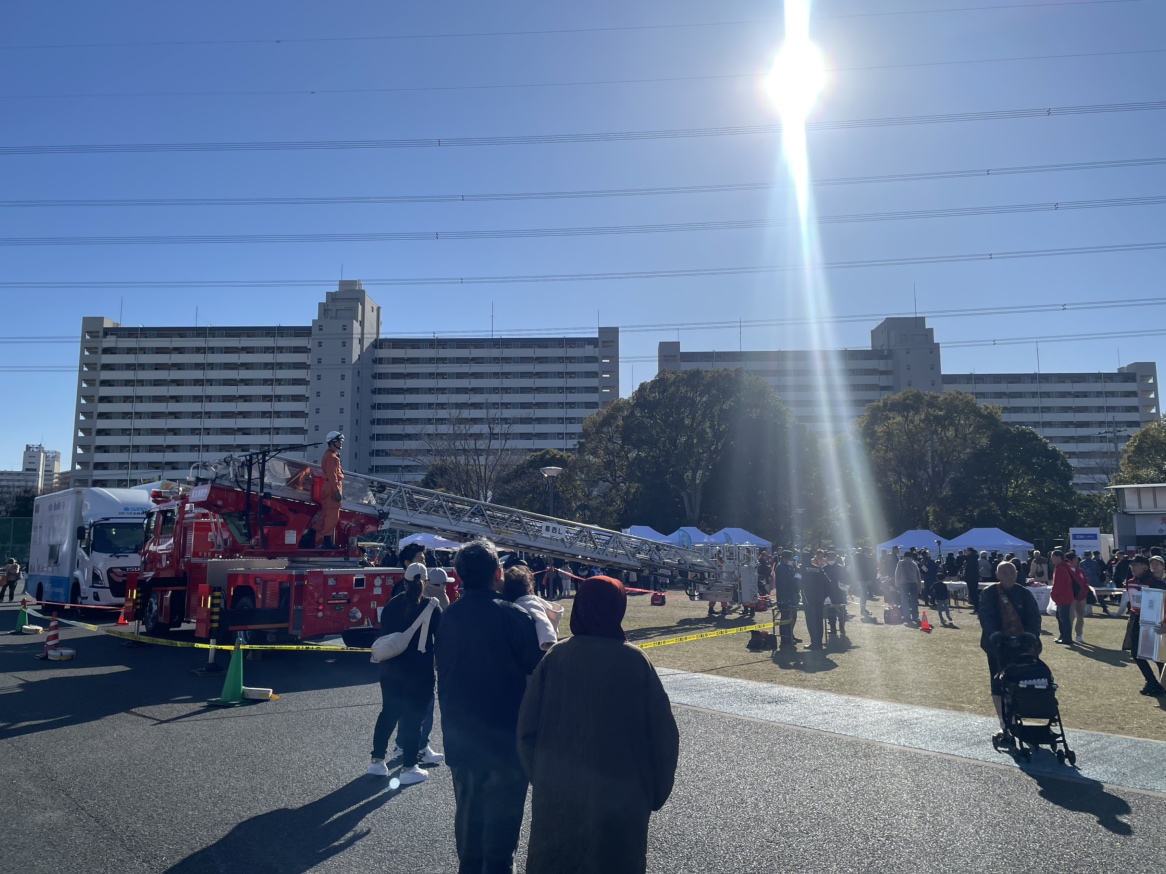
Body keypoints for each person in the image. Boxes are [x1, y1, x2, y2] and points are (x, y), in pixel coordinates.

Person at [517, 575, 679, 874]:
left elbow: (527, 728)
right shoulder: (634, 661)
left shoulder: (556, 656)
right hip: (622, 794)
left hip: (558, 791)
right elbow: (663, 736)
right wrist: (653, 792)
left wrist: (541, 776)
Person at [435, 538, 543, 874]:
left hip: (461, 736)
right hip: (506, 740)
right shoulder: (516, 617)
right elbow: (536, 676)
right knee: (501, 838)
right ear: (498, 572)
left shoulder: (449, 617)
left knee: (469, 832)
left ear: (459, 575)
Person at [367, 562, 443, 785]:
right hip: (420, 672)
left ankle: (377, 761)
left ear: (405, 580)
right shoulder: (432, 607)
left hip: (390, 670)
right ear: (425, 581)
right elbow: (442, 641)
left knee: (388, 713)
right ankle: (409, 767)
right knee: (414, 719)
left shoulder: (392, 605)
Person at [978, 561, 1043, 746]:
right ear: (997, 575)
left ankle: (1022, 719)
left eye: (1012, 573)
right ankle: (1004, 723)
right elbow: (986, 617)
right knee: (998, 682)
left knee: (1024, 682)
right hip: (997, 647)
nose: (1009, 576)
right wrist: (995, 635)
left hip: (1022, 646)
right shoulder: (989, 593)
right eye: (1005, 573)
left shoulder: (1024, 593)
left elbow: (1034, 617)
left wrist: (1031, 635)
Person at [1121, 555, 1166, 697]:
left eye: (1136, 565)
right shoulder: (1130, 582)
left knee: (1157, 656)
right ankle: (1152, 682)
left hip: (1155, 621)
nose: (1132, 568)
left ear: (1145, 567)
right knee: (1136, 653)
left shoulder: (1157, 583)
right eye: (1131, 565)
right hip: (1136, 620)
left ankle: (1162, 683)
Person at [501, 565, 563, 650]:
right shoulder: (523, 603)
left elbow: (542, 621)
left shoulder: (528, 603)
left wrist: (548, 640)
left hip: (543, 645)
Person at [311, 430, 345, 549]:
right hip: (331, 488)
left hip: (328, 487)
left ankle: (310, 536)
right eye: (338, 441)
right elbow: (332, 475)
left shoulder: (330, 455)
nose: (341, 443)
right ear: (332, 442)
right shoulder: (331, 457)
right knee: (332, 516)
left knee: (326, 515)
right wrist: (336, 491)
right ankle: (327, 542)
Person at [800, 549, 830, 650]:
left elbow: (796, 583)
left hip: (808, 599)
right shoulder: (818, 569)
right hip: (819, 598)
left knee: (811, 621)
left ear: (802, 559)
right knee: (819, 620)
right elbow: (828, 582)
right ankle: (819, 643)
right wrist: (824, 595)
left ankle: (814, 643)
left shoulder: (801, 569)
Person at [1050, 549, 1080, 645]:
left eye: (1053, 557)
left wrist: (1053, 594)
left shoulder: (1061, 569)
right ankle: (1063, 636)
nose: (1052, 559)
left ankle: (1066, 638)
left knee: (1064, 618)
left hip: (1063, 597)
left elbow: (1058, 585)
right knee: (1061, 617)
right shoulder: (1065, 568)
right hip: (1065, 596)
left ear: (1059, 557)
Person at [773, 550, 801, 647]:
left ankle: (790, 635)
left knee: (793, 617)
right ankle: (785, 639)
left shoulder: (790, 567)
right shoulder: (780, 568)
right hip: (784, 597)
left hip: (792, 596)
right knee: (785, 618)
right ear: (785, 559)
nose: (791, 560)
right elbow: (788, 581)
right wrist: (796, 578)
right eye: (790, 558)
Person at [822, 550, 849, 637]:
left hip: (840, 594)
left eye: (832, 557)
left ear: (835, 558)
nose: (831, 559)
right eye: (829, 557)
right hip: (829, 595)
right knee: (831, 613)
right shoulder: (823, 569)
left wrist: (844, 586)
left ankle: (842, 628)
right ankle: (833, 628)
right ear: (826, 558)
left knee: (842, 612)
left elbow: (847, 579)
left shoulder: (841, 568)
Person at [895, 549, 923, 625]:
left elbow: (897, 574)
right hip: (914, 583)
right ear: (911, 557)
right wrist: (919, 586)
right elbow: (918, 575)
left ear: (904, 556)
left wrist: (897, 584)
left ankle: (907, 616)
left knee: (904, 600)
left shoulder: (901, 563)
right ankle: (915, 616)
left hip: (904, 583)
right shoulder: (914, 563)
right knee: (914, 600)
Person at [960, 546, 981, 614]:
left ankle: (978, 609)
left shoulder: (971, 559)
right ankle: (977, 608)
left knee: (973, 594)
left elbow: (970, 570)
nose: (965, 552)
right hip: (972, 578)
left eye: (966, 550)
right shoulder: (972, 558)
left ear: (970, 551)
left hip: (972, 578)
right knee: (973, 594)